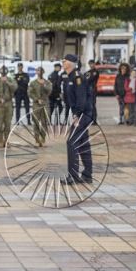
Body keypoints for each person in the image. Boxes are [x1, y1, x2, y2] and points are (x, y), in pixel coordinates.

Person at [61, 54, 97, 183]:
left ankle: (73, 176)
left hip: (82, 115)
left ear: (70, 63)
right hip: (81, 114)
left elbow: (81, 99)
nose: (62, 63)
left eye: (64, 61)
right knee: (83, 144)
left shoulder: (77, 78)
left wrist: (77, 115)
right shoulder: (70, 77)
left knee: (72, 143)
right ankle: (87, 175)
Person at [29, 69, 52, 146]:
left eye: (41, 71)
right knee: (36, 121)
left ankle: (43, 137)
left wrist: (44, 85)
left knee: (44, 121)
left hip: (45, 104)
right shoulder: (33, 83)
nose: (39, 73)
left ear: (43, 72)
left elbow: (49, 91)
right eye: (38, 71)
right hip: (36, 104)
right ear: (36, 72)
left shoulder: (47, 82)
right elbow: (29, 93)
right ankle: (36, 137)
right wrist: (36, 99)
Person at [0, 66, 16, 147]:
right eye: (2, 70)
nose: (3, 72)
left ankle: (6, 140)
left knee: (7, 124)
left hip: (8, 104)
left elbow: (14, 88)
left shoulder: (11, 79)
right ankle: (0, 140)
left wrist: (7, 82)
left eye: (4, 70)